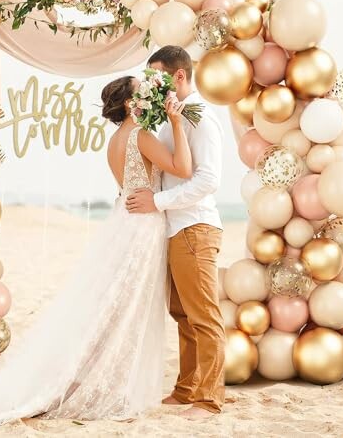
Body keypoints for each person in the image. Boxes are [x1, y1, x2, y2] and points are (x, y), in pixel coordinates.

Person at [0, 75, 193, 426]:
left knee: (113, 307)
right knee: (127, 310)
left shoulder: (116, 140)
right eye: (143, 91)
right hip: (142, 226)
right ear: (129, 103)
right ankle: (105, 384)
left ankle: (96, 377)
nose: (150, 95)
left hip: (125, 220)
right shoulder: (141, 136)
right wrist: (177, 124)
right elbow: (183, 168)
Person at [126, 45, 225, 420]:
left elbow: (208, 180)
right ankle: (186, 389)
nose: (151, 83)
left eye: (156, 76)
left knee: (204, 316)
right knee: (182, 315)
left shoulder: (200, 117)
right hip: (174, 228)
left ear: (178, 76)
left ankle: (209, 398)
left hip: (195, 226)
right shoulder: (172, 118)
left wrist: (159, 201)